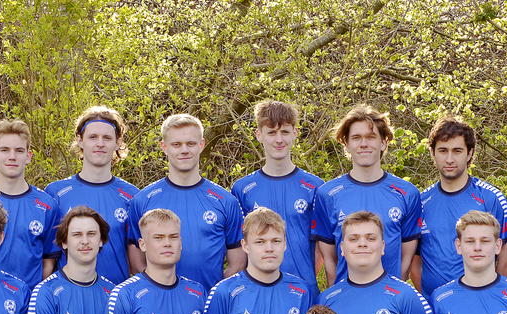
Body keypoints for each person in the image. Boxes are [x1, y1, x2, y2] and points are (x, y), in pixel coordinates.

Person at [126, 114, 245, 291]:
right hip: (158, 304)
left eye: (190, 143)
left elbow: (238, 265)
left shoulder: (226, 201)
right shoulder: (143, 201)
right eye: (176, 144)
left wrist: (215, 297)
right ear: (164, 147)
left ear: (201, 145)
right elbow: (137, 265)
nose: (184, 150)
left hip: (208, 306)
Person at [311, 104, 423, 284]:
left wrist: (392, 294)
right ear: (346, 144)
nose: (364, 144)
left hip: (390, 297)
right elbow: (330, 260)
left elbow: (406, 260)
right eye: (356, 138)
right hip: (346, 297)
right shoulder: (327, 194)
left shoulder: (407, 193)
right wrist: (337, 295)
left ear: (383, 142)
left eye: (371, 137)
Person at [230, 100, 324, 296]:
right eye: (271, 132)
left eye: (285, 132)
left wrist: (304, 277)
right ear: (259, 135)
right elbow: (239, 249)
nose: (279, 139)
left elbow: (322, 248)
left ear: (295, 133)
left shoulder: (315, 187)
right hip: (256, 292)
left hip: (304, 292)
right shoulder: (242, 189)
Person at [416, 116, 507, 295]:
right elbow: (414, 263)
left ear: (469, 153)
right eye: (443, 151)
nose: (449, 159)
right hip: (434, 307)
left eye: (457, 151)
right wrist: (429, 300)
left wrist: (489, 298)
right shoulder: (421, 202)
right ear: (432, 153)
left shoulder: (491, 198)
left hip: (482, 303)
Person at [45, 106, 139, 286]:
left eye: (107, 138)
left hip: (115, 296)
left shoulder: (132, 197)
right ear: (80, 141)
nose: (100, 144)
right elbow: (48, 259)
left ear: (118, 143)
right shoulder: (55, 193)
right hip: (68, 296)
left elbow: (136, 262)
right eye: (93, 137)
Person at [0, 119, 61, 287]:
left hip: (28, 300)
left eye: (19, 150)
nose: (12, 157)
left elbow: (48, 263)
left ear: (28, 156)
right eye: (5, 150)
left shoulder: (48, 206)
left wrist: (33, 296)